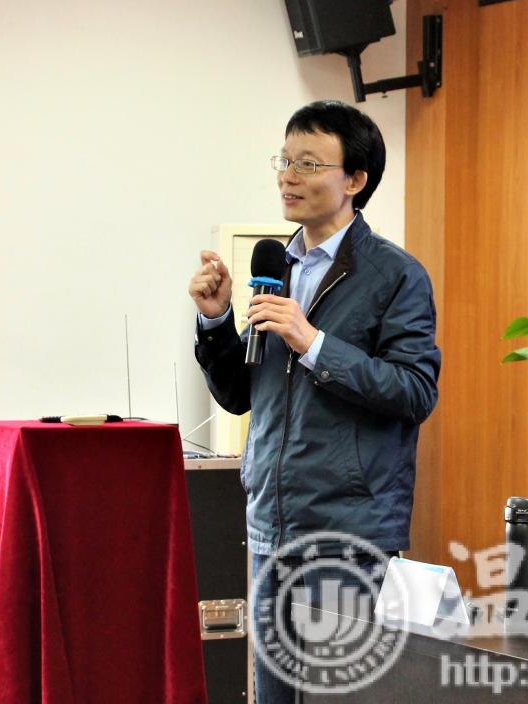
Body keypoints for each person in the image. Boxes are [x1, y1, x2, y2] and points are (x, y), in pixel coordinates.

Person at [187, 100, 440, 702]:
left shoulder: (396, 276)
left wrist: (314, 343)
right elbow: (240, 395)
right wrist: (217, 322)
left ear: (355, 180)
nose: (288, 177)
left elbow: (415, 391)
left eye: (307, 163)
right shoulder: (278, 266)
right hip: (271, 527)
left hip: (348, 535)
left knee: (339, 695)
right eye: (284, 160)